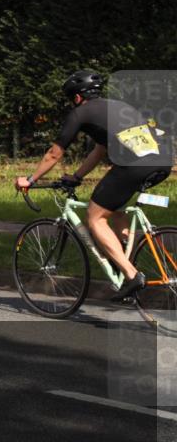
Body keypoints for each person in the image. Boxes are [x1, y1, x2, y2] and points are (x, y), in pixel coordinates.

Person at [15, 70, 172, 301]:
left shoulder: (80, 113)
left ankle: (131, 276)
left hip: (134, 165)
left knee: (95, 217)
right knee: (114, 209)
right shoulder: (117, 106)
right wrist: (77, 176)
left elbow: (54, 154)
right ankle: (124, 257)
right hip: (163, 161)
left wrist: (30, 180)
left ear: (77, 97)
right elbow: (100, 150)